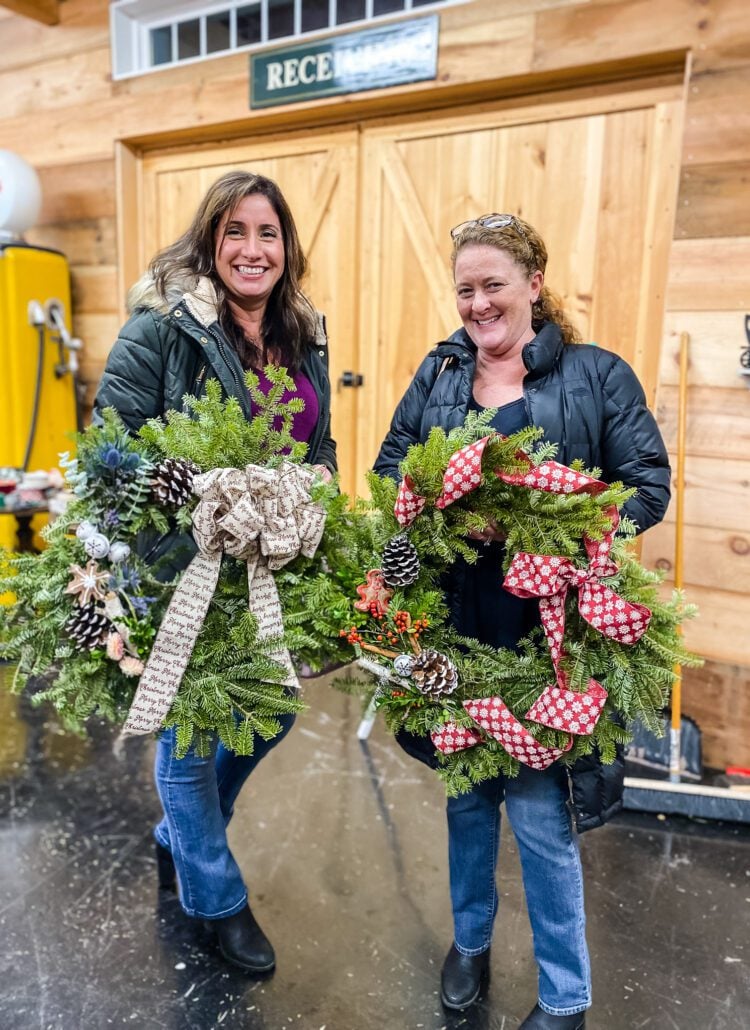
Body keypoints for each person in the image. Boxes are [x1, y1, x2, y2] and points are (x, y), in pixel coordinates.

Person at [374, 213, 670, 1028]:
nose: (476, 303)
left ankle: (566, 995)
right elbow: (392, 465)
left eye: (492, 285)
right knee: (468, 800)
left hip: (551, 631)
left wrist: (561, 525)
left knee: (540, 815)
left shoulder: (597, 375)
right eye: (465, 288)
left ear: (533, 285)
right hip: (458, 625)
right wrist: (431, 508)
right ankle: (469, 943)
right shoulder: (439, 374)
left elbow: (646, 484)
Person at [95, 170, 336, 973]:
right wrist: (204, 494)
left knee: (272, 713)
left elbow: (320, 445)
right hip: (184, 568)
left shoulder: (306, 331)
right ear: (210, 240)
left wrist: (317, 493)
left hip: (272, 566)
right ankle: (218, 899)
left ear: (285, 248)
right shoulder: (164, 328)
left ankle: (178, 837)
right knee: (192, 740)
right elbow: (115, 452)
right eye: (236, 231)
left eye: (267, 233)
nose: (252, 249)